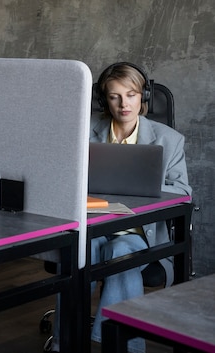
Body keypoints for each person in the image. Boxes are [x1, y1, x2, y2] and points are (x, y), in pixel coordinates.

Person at [51, 62, 191, 353]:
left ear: (144, 97)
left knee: (121, 251)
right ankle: (66, 343)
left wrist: (146, 185)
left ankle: (119, 347)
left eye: (131, 94)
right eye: (114, 96)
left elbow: (183, 192)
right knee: (81, 252)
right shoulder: (83, 131)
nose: (124, 104)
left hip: (140, 234)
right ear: (105, 100)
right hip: (93, 227)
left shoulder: (169, 140)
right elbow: (60, 175)